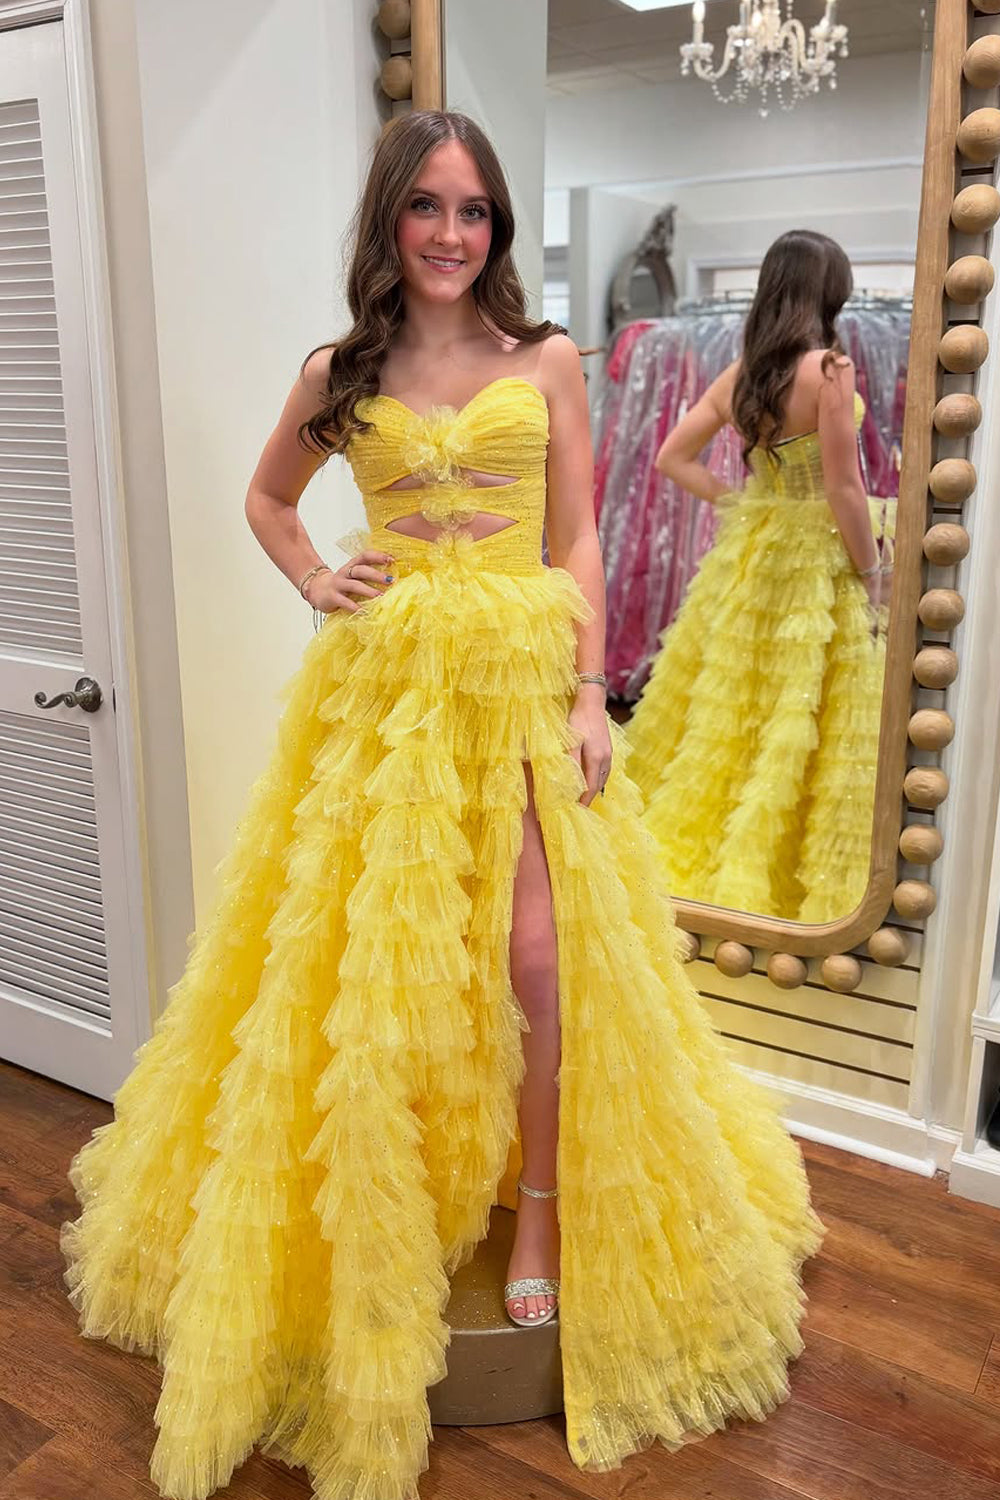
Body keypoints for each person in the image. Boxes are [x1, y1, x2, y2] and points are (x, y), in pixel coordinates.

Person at [60, 113, 825, 1500]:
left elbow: (579, 530)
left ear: (498, 229)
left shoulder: (547, 358)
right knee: (378, 970)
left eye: (474, 211)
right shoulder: (338, 371)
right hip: (389, 696)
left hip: (522, 689)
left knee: (538, 959)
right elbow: (268, 498)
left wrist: (591, 691)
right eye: (426, 207)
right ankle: (394, 1207)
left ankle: (536, 1213)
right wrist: (318, 578)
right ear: (390, 220)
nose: (451, 235)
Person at [626, 230, 892, 924]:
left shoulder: (745, 373)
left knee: (735, 698)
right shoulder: (829, 370)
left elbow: (672, 458)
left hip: (752, 555)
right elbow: (845, 488)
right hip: (816, 558)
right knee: (801, 702)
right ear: (828, 292)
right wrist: (873, 570)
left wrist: (742, 503)